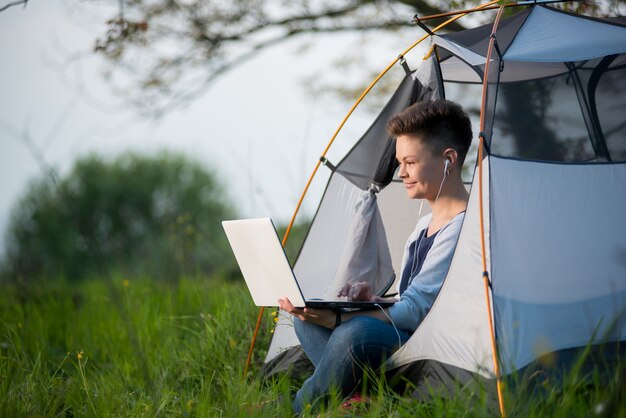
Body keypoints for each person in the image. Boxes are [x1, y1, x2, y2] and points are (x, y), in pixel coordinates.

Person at [278, 99, 473, 414]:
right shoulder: (424, 225)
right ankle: (360, 396)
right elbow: (412, 299)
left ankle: (296, 408)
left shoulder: (462, 227)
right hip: (406, 333)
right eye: (399, 162)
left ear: (448, 159)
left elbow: (417, 314)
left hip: (427, 347)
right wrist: (374, 301)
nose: (402, 173)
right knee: (305, 321)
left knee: (355, 333)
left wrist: (342, 318)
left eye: (410, 161)